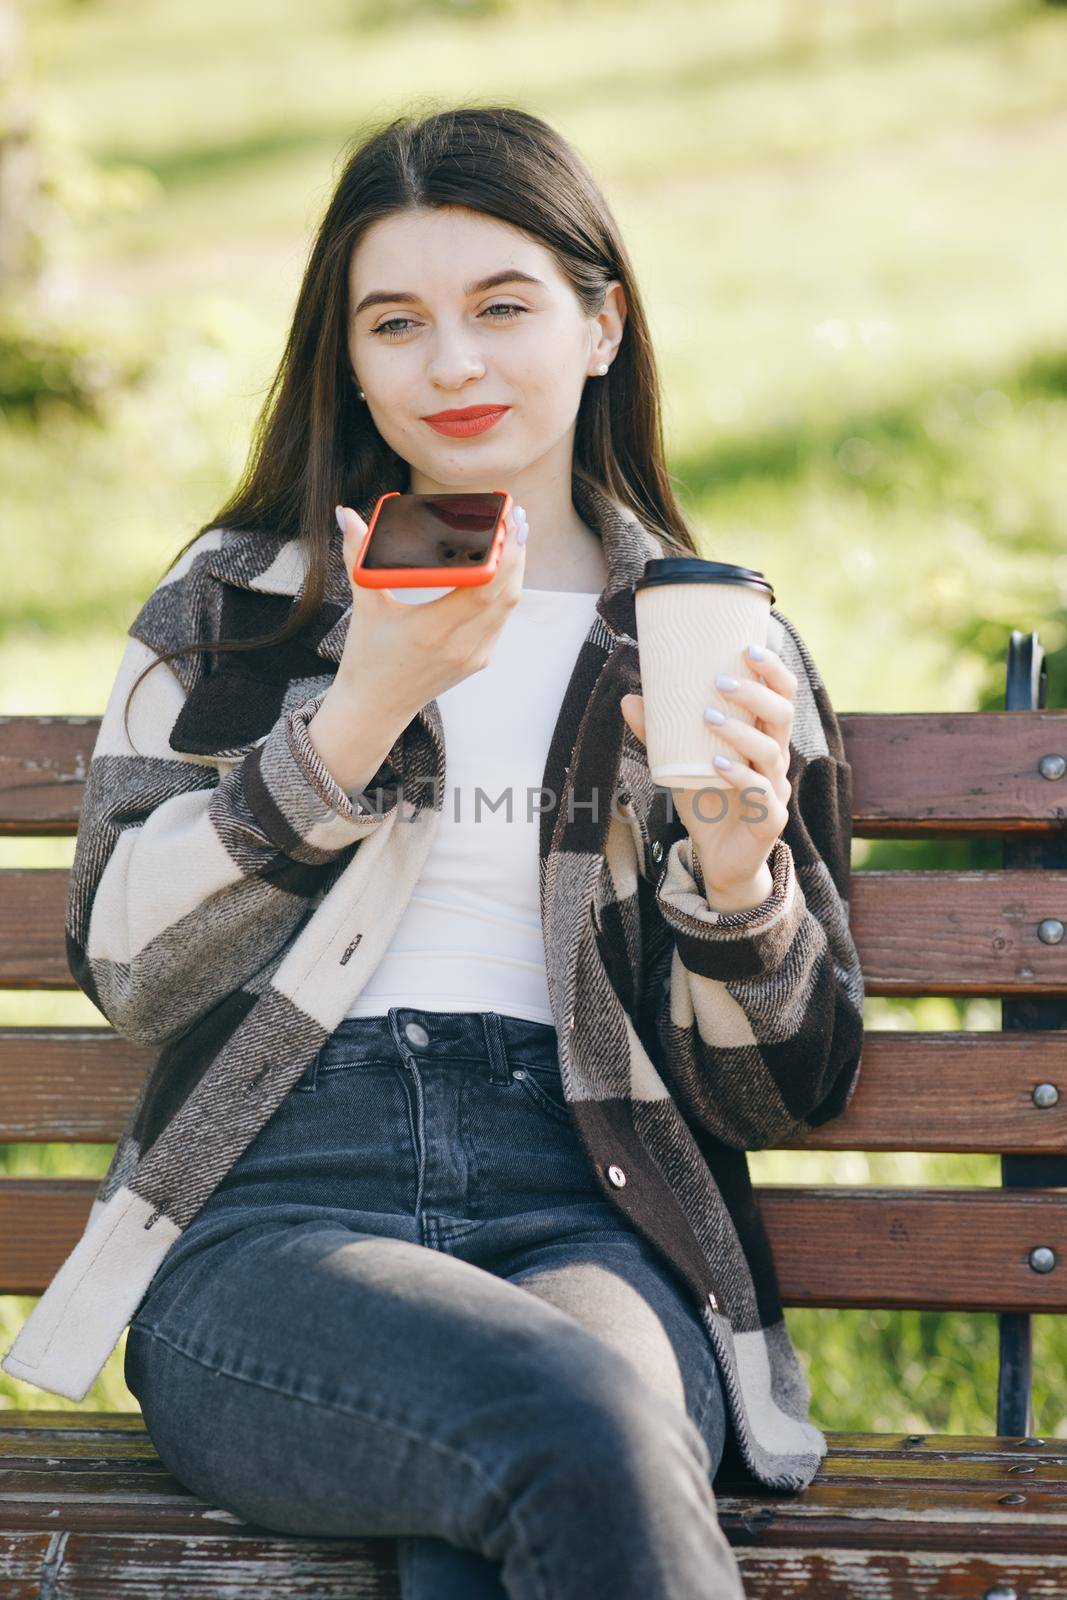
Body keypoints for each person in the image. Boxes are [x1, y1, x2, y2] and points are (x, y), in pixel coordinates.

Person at [2, 105, 865, 1600]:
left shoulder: (708, 636)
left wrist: (736, 879)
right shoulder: (237, 609)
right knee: (570, 1421)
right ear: (348, 359)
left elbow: (779, 1092)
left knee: (533, 1455)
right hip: (277, 1221)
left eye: (502, 308)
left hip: (588, 1203)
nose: (452, 364)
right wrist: (358, 716)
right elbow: (130, 968)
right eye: (396, 322)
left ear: (603, 325)